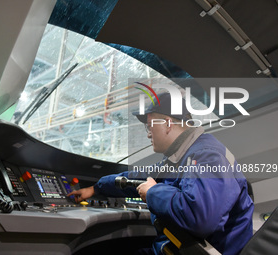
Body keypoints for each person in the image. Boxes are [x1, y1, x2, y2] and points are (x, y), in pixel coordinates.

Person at [68, 92, 254, 255]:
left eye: (149, 126)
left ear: (167, 123)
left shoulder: (208, 155)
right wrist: (96, 188)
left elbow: (201, 218)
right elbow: (138, 178)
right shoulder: (180, 157)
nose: (148, 134)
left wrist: (152, 192)